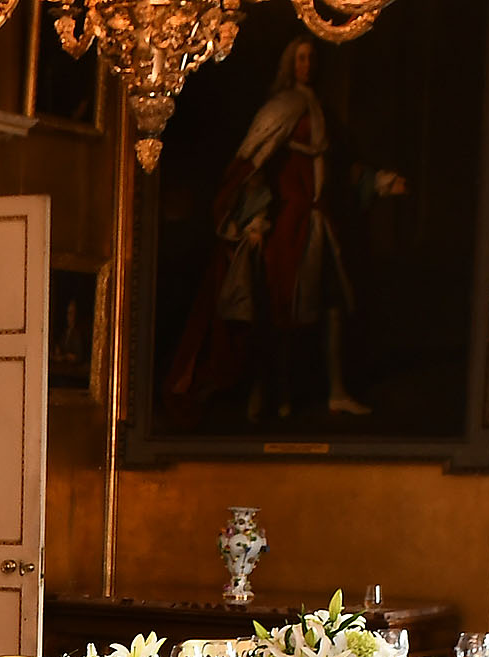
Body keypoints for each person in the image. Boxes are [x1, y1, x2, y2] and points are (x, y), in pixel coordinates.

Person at [164, 37, 405, 424]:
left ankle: (337, 392)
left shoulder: (323, 112)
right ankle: (271, 392)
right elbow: (254, 167)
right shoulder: (280, 108)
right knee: (279, 312)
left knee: (332, 306)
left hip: (319, 222)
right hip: (287, 224)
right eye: (301, 58)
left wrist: (379, 181)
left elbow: (344, 167)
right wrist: (253, 218)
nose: (307, 64)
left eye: (312, 58)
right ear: (290, 63)